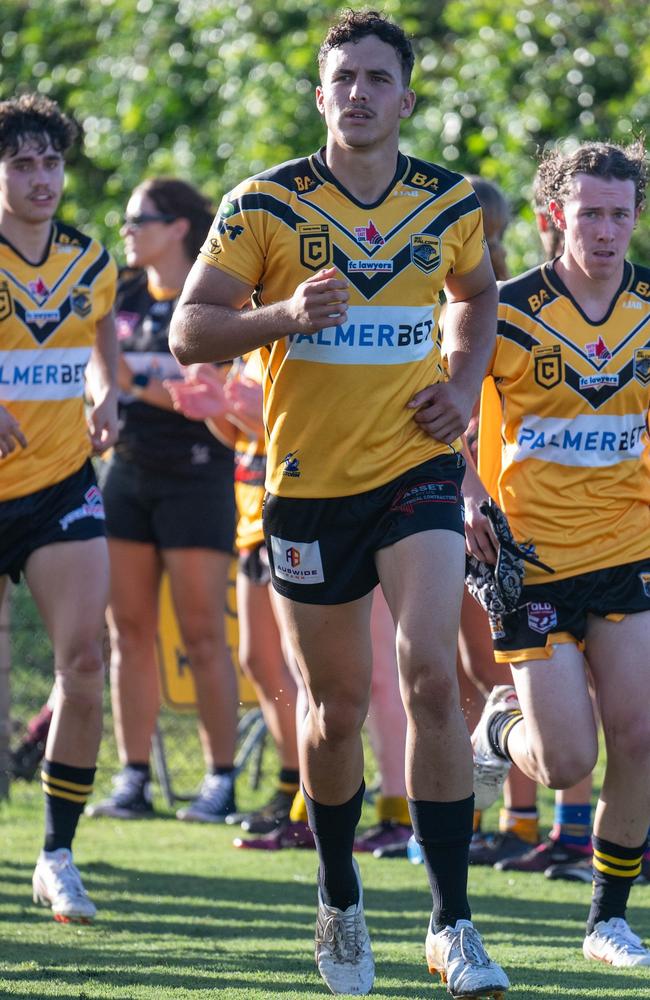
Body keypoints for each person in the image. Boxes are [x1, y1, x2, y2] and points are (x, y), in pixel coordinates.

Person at [170, 10, 509, 997]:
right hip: (307, 489)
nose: (357, 92)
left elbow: (477, 292)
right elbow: (192, 330)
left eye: (375, 77)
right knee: (333, 709)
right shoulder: (263, 204)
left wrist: (461, 378)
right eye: (341, 78)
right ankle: (338, 888)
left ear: (405, 97)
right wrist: (282, 314)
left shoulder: (445, 201)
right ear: (318, 95)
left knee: (432, 676)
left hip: (414, 472)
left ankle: (452, 920)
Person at [468, 140, 650, 967]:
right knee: (566, 757)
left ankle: (607, 919)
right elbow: (440, 423)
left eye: (620, 213)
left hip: (630, 549)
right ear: (554, 218)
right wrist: (470, 496)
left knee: (641, 736)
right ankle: (500, 729)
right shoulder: (500, 310)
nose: (606, 230)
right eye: (590, 213)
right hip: (532, 560)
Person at [85, 178, 240, 824]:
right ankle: (133, 776)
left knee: (203, 633)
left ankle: (221, 779)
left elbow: (210, 389)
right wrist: (125, 383)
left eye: (138, 219)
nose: (127, 230)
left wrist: (132, 380)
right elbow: (107, 368)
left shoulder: (212, 296)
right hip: (128, 472)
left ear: (178, 227)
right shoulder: (118, 290)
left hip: (199, 474)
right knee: (129, 634)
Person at [0, 93, 118, 922]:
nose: (41, 178)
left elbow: (102, 331)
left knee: (84, 663)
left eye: (51, 161)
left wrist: (107, 389)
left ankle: (56, 853)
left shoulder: (90, 258)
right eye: (21, 163)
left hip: (61, 487)